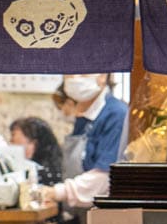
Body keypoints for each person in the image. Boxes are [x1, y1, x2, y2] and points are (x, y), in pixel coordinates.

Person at [35, 74, 125, 211]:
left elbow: (106, 177)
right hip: (81, 211)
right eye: (70, 72)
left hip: (106, 214)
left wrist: (57, 192)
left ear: (102, 76)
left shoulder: (116, 114)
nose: (75, 77)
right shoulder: (84, 117)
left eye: (84, 72)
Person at [9, 117, 80, 224]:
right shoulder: (45, 168)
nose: (11, 146)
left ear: (34, 144)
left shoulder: (45, 173)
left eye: (15, 140)